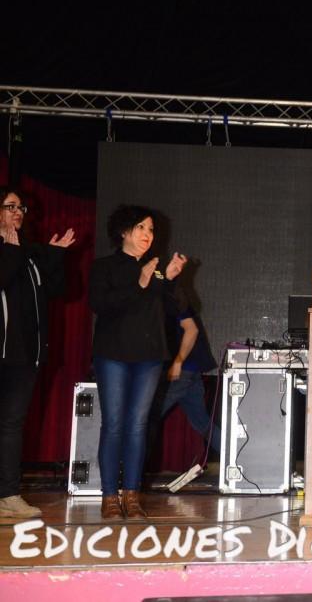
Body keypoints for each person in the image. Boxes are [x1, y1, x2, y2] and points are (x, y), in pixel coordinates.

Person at [90, 205, 187, 519]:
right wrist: (141, 284)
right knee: (114, 424)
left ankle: (132, 496)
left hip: (149, 357)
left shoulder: (155, 269)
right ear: (124, 232)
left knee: (138, 426)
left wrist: (169, 280)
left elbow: (177, 310)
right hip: (113, 354)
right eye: (141, 228)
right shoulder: (104, 267)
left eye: (151, 229)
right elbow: (101, 305)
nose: (148, 234)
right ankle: (109, 496)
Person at [0, 187, 74, 519]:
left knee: (12, 425)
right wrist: (11, 249)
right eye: (10, 206)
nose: (18, 212)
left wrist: (55, 256)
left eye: (21, 207)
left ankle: (8, 495)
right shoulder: (12, 250)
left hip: (25, 355)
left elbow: (58, 290)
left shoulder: (29, 251)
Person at [153, 292, 220, 457]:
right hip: (191, 370)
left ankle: (129, 466)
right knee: (201, 422)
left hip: (181, 370)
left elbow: (192, 331)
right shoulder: (177, 299)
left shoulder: (171, 299)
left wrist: (178, 362)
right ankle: (236, 456)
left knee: (148, 418)